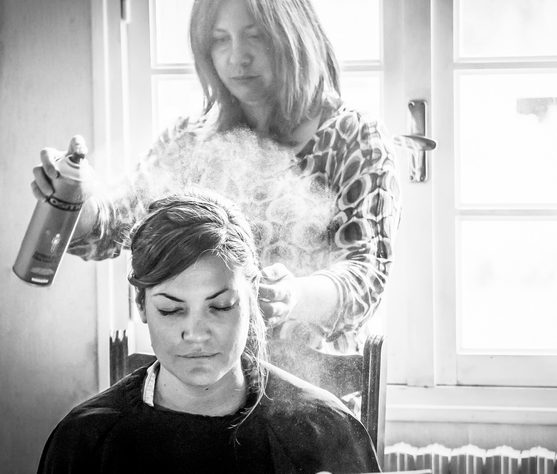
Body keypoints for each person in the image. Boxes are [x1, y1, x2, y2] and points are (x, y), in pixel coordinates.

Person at [31, 0, 401, 355]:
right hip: (202, 370)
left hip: (319, 378)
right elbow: (117, 221)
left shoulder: (354, 137)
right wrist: (79, 200)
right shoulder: (191, 139)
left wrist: (294, 295)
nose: (237, 57)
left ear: (295, 35)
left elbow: (365, 275)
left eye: (257, 35)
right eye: (220, 40)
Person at [36, 191, 380, 474]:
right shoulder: (84, 443)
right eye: (171, 310)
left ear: (251, 297)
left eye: (220, 306)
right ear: (141, 304)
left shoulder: (324, 432)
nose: (196, 334)